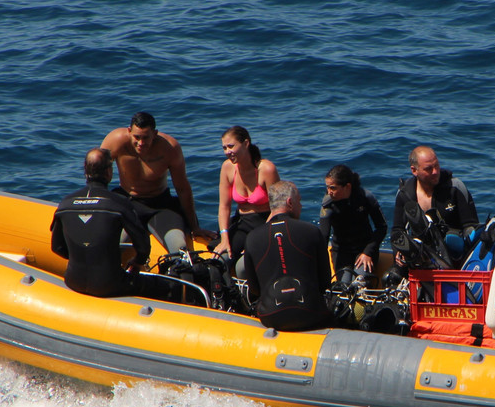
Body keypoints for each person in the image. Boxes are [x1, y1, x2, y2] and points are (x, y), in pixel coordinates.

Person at [100, 112, 213, 254]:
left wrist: (195, 227)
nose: (141, 143)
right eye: (137, 137)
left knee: (179, 247)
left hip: (160, 205)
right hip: (127, 203)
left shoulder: (169, 148)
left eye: (146, 138)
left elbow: (182, 188)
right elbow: (98, 175)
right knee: (111, 245)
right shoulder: (115, 141)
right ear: (129, 131)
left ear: (155, 133)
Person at [50, 148, 151, 297]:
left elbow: (57, 247)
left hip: (73, 281)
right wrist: (137, 261)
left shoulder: (65, 203)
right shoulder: (119, 203)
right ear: (109, 172)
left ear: (85, 171)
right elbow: (143, 246)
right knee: (159, 286)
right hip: (110, 285)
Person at [244, 180, 332, 331]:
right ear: (290, 202)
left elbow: (254, 289)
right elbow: (325, 282)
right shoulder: (312, 231)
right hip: (311, 314)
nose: (301, 206)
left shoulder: (252, 237)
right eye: (299, 201)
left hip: (270, 317)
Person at [391, 145, 479, 267]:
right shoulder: (404, 194)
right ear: (414, 170)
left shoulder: (455, 188)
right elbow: (397, 229)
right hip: (421, 257)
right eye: (428, 169)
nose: (435, 172)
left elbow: (471, 225)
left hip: (455, 256)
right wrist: (399, 252)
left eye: (436, 165)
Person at [213, 125, 279, 277]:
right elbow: (224, 207)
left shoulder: (266, 169)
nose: (227, 152)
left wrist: (257, 240)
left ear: (246, 143)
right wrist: (224, 238)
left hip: (265, 224)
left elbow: (277, 208)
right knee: (219, 261)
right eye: (224, 148)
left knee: (245, 266)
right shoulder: (227, 168)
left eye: (231, 146)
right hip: (242, 223)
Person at [319, 164, 387, 283]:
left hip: (364, 249)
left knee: (359, 283)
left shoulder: (365, 197)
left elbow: (382, 227)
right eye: (327, 187)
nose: (329, 192)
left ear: (347, 186)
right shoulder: (328, 204)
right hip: (341, 251)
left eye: (333, 188)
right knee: (345, 285)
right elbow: (324, 236)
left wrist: (368, 252)